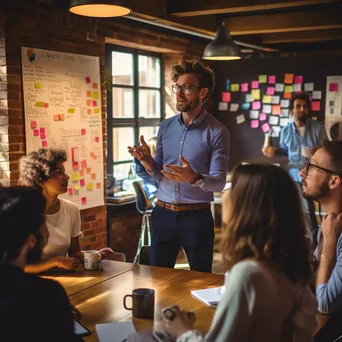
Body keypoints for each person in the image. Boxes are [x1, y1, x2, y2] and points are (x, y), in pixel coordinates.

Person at [162, 164, 317, 342]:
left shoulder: (250, 274)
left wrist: (183, 331)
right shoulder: (290, 264)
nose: (225, 194)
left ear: (250, 204)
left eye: (232, 187)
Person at [128, 60, 229, 272]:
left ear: (202, 93)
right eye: (177, 87)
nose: (179, 93)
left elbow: (219, 182)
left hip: (197, 219)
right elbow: (159, 176)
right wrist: (146, 161)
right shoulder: (166, 127)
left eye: (187, 87)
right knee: (157, 278)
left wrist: (195, 178)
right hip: (162, 214)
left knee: (200, 279)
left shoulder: (217, 132)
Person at [19, 148, 124, 274]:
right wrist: (56, 261)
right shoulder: (25, 213)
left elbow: (75, 252)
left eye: (64, 172)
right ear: (41, 180)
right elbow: (20, 267)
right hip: (33, 282)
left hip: (64, 278)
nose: (66, 177)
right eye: (59, 173)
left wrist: (93, 255)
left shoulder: (71, 209)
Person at [0, 186, 82, 341]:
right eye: (43, 223)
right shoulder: (48, 294)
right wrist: (60, 315)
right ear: (31, 239)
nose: (46, 232)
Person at [262, 92, 328, 247]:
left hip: (314, 175)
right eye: (298, 106)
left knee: (308, 211)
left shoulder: (318, 128)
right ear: (292, 110)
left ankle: (314, 247)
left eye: (305, 106)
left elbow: (327, 149)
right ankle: (302, 244)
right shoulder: (285, 131)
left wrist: (317, 151)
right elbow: (285, 151)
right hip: (293, 175)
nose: (302, 109)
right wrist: (273, 151)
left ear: (308, 109)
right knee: (298, 210)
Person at [300, 140, 342, 314]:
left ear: (333, 181)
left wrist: (329, 249)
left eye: (311, 167)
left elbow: (324, 304)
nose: (302, 172)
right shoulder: (327, 224)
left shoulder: (334, 235)